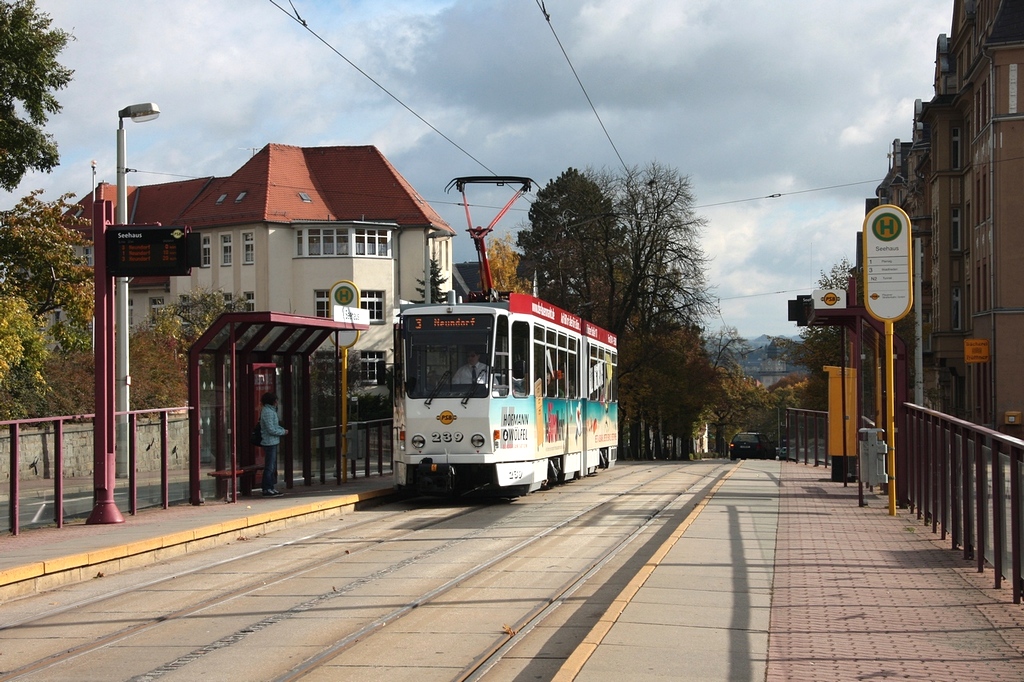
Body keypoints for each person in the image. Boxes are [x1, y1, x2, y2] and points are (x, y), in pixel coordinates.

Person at [259, 392, 288, 496]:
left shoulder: (271, 411)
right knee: (269, 466)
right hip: (269, 442)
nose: (277, 402)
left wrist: (282, 430)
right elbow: (271, 429)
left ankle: (270, 487)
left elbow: (274, 426)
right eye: (275, 400)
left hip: (273, 441)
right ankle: (266, 488)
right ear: (272, 401)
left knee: (272, 466)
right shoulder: (267, 412)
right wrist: (282, 432)